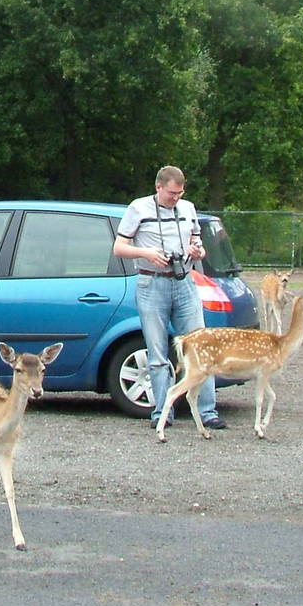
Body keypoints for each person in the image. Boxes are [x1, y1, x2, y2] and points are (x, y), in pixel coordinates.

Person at [114, 166, 225, 431]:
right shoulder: (138, 208)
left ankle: (207, 410)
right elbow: (119, 248)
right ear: (158, 188)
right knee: (157, 351)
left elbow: (198, 243)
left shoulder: (188, 209)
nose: (175, 198)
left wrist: (197, 251)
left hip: (184, 281)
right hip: (152, 282)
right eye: (171, 194)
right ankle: (162, 410)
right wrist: (148, 253)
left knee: (200, 346)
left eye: (180, 193)